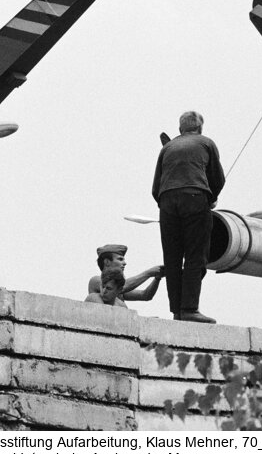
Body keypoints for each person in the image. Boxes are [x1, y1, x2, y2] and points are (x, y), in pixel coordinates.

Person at [152, 111, 225, 323]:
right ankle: (190, 309)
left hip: (167, 202)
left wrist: (167, 203)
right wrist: (210, 198)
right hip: (195, 197)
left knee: (172, 257)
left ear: (180, 129)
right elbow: (217, 179)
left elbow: (156, 186)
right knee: (195, 255)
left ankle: (177, 310)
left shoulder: (167, 148)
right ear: (200, 128)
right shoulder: (206, 143)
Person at [87, 244, 163, 303]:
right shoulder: (95, 281)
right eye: (120, 259)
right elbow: (122, 286)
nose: (124, 263)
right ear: (107, 262)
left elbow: (145, 295)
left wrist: (157, 278)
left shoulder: (118, 288)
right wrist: (149, 273)